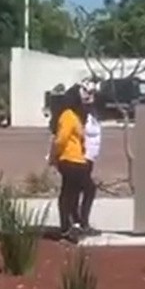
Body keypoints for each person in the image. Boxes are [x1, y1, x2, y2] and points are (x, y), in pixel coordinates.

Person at [49, 84, 93, 242]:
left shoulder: (75, 116)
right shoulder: (68, 116)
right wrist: (53, 156)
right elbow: (61, 139)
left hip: (77, 160)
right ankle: (65, 229)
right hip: (69, 160)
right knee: (68, 195)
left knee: (73, 193)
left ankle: (71, 227)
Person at [79, 88, 103, 236]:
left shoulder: (94, 114)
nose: (90, 100)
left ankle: (80, 221)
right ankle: (82, 223)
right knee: (88, 189)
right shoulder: (80, 115)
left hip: (90, 158)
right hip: (80, 158)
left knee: (83, 190)